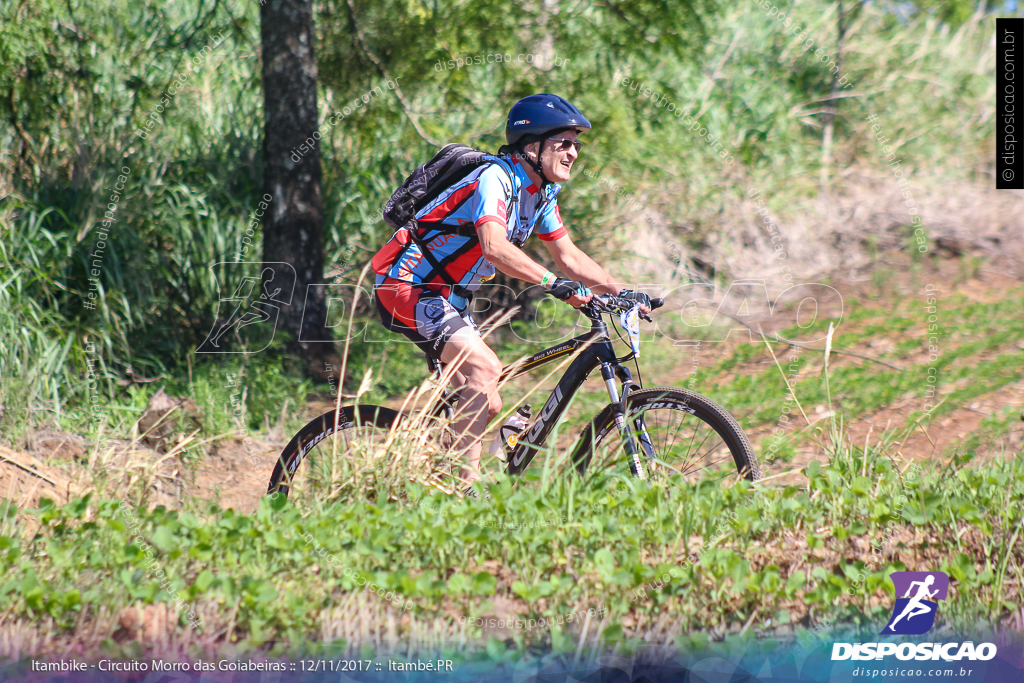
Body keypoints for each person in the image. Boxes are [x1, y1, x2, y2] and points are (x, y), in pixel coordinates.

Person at [370, 94, 651, 494]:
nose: (573, 152)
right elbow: (494, 247)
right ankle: (463, 499)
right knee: (485, 369)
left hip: (450, 296)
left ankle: (432, 480)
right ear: (532, 145)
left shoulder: (540, 193)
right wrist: (553, 284)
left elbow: (568, 256)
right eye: (563, 143)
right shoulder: (495, 179)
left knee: (489, 401)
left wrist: (624, 293)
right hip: (406, 284)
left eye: (577, 145)